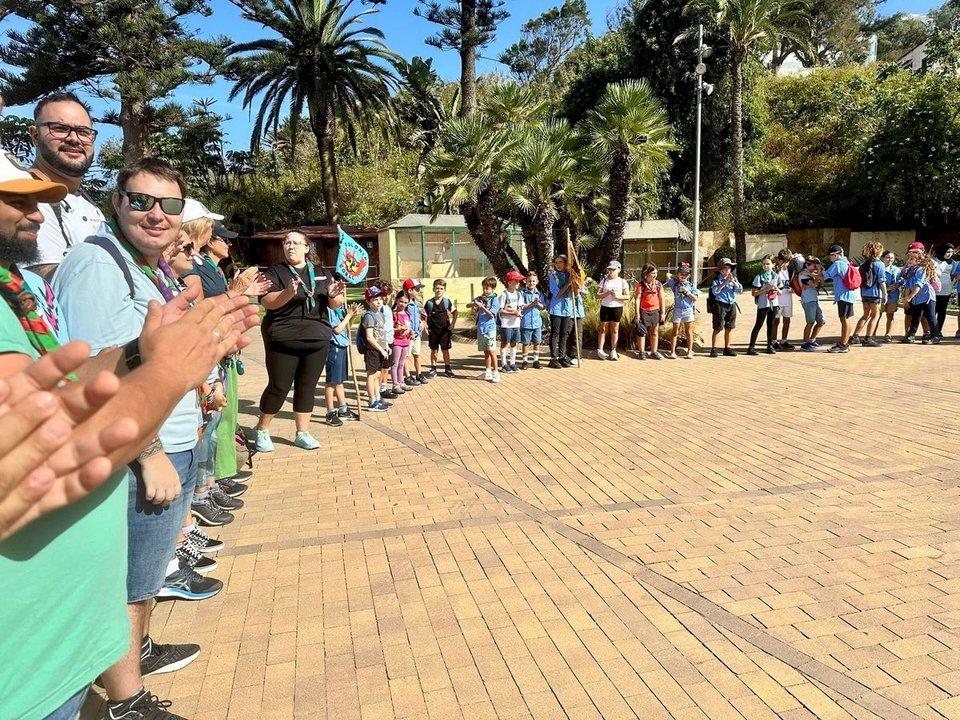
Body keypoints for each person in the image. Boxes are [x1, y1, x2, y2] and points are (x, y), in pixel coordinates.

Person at [16, 156, 257, 720]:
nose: (157, 215)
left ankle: (137, 653)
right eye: (141, 201)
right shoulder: (100, 266)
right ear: (116, 203)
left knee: (145, 577)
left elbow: (145, 351)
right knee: (129, 582)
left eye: (169, 205)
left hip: (168, 430)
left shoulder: (146, 267)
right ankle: (127, 701)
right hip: (139, 447)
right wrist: (149, 456)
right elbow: (94, 376)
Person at [253, 231, 344, 452]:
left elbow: (336, 304)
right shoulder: (274, 272)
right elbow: (269, 303)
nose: (290, 246)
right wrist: (287, 293)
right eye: (287, 243)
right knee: (279, 387)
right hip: (283, 338)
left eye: (295, 242)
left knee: (307, 387)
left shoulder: (322, 273)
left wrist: (333, 294)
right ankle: (262, 429)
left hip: (316, 339)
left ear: (307, 248)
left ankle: (302, 433)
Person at [26, 91, 106, 278]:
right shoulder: (26, 198)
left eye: (83, 132)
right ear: (35, 135)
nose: (74, 138)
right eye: (60, 128)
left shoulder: (87, 202)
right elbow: (46, 283)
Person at [325, 298, 362, 427]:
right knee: (331, 382)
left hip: (342, 346)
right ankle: (330, 412)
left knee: (339, 381)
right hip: (333, 347)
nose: (341, 297)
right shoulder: (329, 310)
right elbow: (337, 330)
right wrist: (349, 315)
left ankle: (343, 408)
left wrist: (352, 316)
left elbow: (346, 327)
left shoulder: (341, 309)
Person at [821, 244, 857, 353]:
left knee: (844, 319)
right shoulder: (846, 263)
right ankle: (844, 342)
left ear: (837, 255)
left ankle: (843, 345)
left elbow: (825, 276)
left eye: (831, 256)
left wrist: (817, 271)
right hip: (849, 295)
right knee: (847, 319)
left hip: (843, 296)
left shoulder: (837, 264)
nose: (830, 258)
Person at [360, 286, 391, 412]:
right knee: (371, 375)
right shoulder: (369, 316)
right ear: (368, 301)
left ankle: (377, 397)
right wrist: (381, 350)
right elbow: (370, 337)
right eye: (374, 299)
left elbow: (381, 333)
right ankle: (372, 400)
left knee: (378, 375)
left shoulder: (381, 314)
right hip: (373, 350)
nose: (378, 302)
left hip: (380, 349)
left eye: (380, 299)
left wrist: (386, 346)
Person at [850, 241, 887, 347]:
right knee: (875, 315)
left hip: (864, 293)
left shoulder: (864, 264)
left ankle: (855, 336)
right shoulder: (879, 264)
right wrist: (885, 294)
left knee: (865, 315)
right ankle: (868, 338)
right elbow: (881, 280)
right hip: (875, 293)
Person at [901, 249, 940, 344]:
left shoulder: (921, 269)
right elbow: (907, 285)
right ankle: (911, 334)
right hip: (917, 299)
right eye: (909, 259)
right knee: (916, 316)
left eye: (912, 259)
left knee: (931, 316)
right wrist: (907, 298)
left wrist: (910, 297)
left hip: (927, 296)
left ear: (918, 261)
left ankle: (935, 336)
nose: (909, 261)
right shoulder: (910, 270)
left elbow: (919, 284)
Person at [747, 255, 783, 356]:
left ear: (773, 264)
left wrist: (776, 289)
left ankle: (769, 346)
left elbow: (781, 292)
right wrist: (765, 289)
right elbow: (754, 293)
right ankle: (751, 347)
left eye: (768, 264)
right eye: (764, 264)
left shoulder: (776, 276)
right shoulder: (759, 277)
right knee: (758, 324)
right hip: (763, 304)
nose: (766, 266)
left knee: (771, 325)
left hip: (774, 303)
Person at [708, 259, 742, 358]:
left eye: (729, 268)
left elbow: (740, 290)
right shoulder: (716, 280)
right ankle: (714, 349)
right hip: (720, 305)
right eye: (725, 268)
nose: (727, 270)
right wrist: (724, 283)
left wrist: (733, 282)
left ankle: (727, 348)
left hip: (731, 303)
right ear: (720, 270)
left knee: (730, 327)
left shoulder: (733, 278)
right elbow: (715, 292)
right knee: (718, 327)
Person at [596, 260, 629, 361]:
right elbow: (597, 295)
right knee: (603, 328)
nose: (610, 271)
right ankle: (600, 350)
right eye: (609, 269)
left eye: (613, 269)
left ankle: (613, 350)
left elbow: (627, 296)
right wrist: (607, 293)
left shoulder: (622, 282)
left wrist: (617, 296)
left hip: (617, 307)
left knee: (614, 329)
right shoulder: (604, 280)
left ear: (618, 270)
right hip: (605, 307)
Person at [665, 262, 699, 359]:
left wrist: (687, 292)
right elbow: (667, 275)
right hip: (678, 310)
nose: (683, 276)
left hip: (688, 309)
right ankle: (672, 351)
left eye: (686, 274)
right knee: (675, 331)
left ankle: (689, 351)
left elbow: (695, 298)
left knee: (689, 331)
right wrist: (676, 277)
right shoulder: (675, 284)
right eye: (682, 273)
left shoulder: (691, 285)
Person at [470, 276, 500, 382]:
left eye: (487, 289)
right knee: (485, 351)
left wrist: (482, 307)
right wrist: (475, 305)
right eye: (483, 288)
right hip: (481, 328)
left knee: (492, 351)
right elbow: (470, 306)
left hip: (490, 328)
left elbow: (491, 314)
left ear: (492, 289)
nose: (485, 291)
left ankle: (496, 372)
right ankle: (488, 372)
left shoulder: (495, 299)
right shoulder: (481, 298)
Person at [424, 279, 457, 377]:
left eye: (441, 288)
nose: (439, 290)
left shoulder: (447, 302)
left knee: (445, 350)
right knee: (434, 350)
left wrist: (452, 324)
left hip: (444, 331)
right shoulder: (429, 303)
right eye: (437, 288)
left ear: (444, 290)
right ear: (433, 289)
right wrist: (425, 325)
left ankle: (447, 369)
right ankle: (433, 369)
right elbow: (423, 315)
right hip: (433, 331)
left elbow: (455, 312)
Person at [774, 249, 804, 351]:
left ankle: (784, 340)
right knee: (776, 321)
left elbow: (801, 262)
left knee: (787, 320)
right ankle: (773, 341)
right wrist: (778, 269)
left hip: (787, 298)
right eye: (783, 261)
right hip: (777, 299)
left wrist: (793, 289)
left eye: (787, 261)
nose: (785, 263)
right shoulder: (774, 270)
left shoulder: (790, 270)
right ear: (778, 259)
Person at [547, 255, 574, 368]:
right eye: (556, 262)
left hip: (567, 309)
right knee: (555, 333)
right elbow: (557, 294)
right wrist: (568, 283)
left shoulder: (570, 275)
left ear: (565, 263)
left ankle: (562, 356)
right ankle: (554, 358)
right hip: (556, 309)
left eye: (560, 262)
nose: (558, 264)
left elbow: (576, 291)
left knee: (564, 334)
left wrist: (575, 281)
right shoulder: (554, 277)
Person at [401, 278, 429, 385]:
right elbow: (401, 318)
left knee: (417, 354)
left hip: (417, 334)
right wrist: (409, 331)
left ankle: (419, 374)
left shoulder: (417, 303)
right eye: (417, 289)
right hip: (408, 335)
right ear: (409, 290)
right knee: (406, 356)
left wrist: (422, 322)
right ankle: (407, 376)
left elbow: (422, 314)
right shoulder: (404, 303)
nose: (419, 291)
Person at [635, 264, 665, 360]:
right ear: (646, 274)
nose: (655, 275)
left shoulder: (658, 285)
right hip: (644, 311)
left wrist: (663, 313)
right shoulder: (641, 285)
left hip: (655, 311)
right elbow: (637, 299)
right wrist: (637, 314)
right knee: (642, 331)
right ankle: (641, 352)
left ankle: (654, 352)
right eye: (653, 273)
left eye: (656, 273)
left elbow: (661, 299)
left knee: (654, 331)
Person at [519, 271, 546, 369]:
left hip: (537, 323)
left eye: (534, 281)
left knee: (537, 342)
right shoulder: (522, 293)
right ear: (526, 281)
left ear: (537, 282)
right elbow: (521, 306)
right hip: (526, 322)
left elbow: (543, 307)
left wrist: (537, 304)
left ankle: (536, 360)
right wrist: (532, 304)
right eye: (529, 281)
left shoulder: (539, 294)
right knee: (526, 342)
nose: (532, 283)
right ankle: (525, 361)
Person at [799, 257, 826, 351]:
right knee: (810, 322)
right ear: (807, 264)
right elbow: (814, 284)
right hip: (808, 300)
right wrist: (818, 273)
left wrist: (818, 275)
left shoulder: (811, 274)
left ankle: (812, 340)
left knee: (821, 320)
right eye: (814, 265)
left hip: (814, 300)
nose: (815, 268)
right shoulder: (803, 274)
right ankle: (805, 343)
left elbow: (821, 283)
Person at [499, 270, 524, 372]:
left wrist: (518, 311)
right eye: (516, 281)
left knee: (514, 343)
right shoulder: (504, 295)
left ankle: (512, 363)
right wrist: (512, 313)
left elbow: (520, 307)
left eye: (519, 281)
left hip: (515, 323)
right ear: (509, 282)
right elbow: (501, 311)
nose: (518, 283)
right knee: (505, 342)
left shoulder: (518, 294)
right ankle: (504, 364)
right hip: (506, 323)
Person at [391, 290, 415, 393]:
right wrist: (398, 330)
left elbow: (409, 327)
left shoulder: (407, 314)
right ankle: (395, 384)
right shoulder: (394, 314)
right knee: (395, 364)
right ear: (396, 300)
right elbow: (390, 329)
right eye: (401, 301)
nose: (403, 304)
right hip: (396, 341)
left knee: (402, 363)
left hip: (406, 341)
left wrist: (412, 333)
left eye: (405, 302)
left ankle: (401, 382)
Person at [933, 244, 955, 334]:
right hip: (935, 289)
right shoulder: (934, 261)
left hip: (947, 289)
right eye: (948, 251)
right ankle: (931, 330)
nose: (949, 254)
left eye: (951, 252)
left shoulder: (952, 262)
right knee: (933, 311)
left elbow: (952, 274)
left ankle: (939, 330)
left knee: (942, 311)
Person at [881, 251, 902, 342]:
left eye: (892, 258)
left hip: (893, 296)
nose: (890, 259)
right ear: (883, 258)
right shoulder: (880, 268)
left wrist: (896, 286)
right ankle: (871, 334)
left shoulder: (896, 270)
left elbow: (900, 280)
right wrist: (887, 289)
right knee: (877, 315)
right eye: (888, 257)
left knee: (890, 315)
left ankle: (888, 334)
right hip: (881, 295)